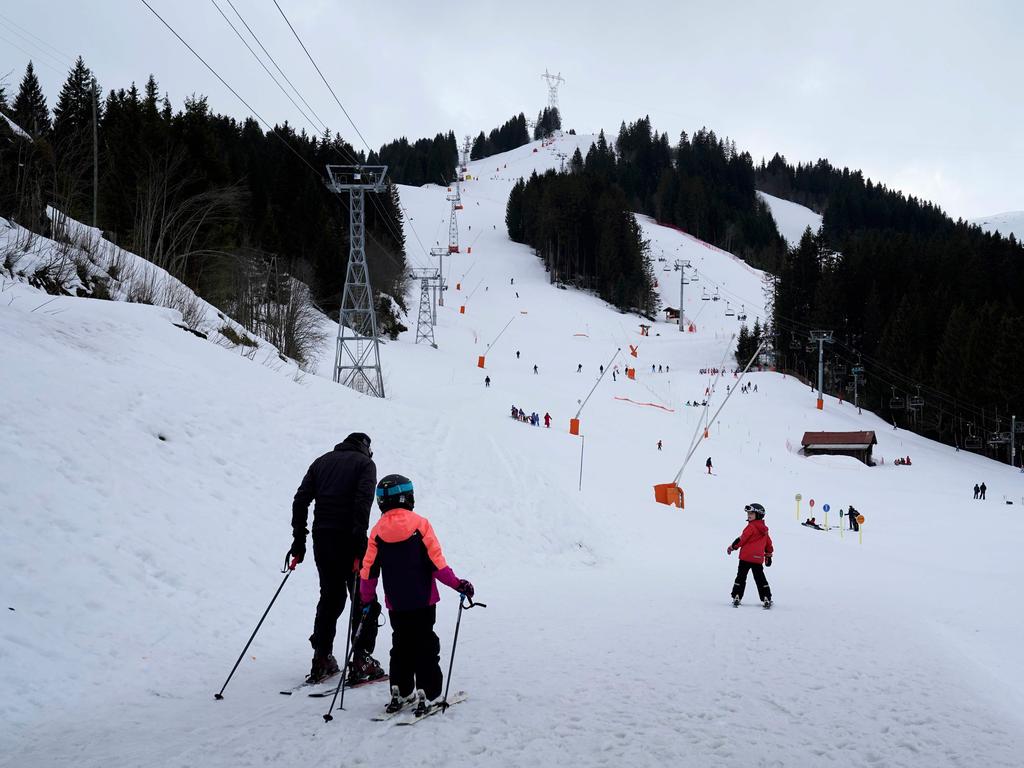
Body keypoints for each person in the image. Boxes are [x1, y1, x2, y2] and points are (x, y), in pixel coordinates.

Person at [360, 475, 474, 717]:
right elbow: (438, 565)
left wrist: (367, 599)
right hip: (423, 601)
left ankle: (400, 691)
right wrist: (459, 585)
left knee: (400, 644)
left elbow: (368, 571)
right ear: (407, 497)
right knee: (425, 643)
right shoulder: (420, 525)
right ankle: (429, 693)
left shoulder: (377, 532)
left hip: (396, 603)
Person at [290, 433, 384, 684]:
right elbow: (363, 502)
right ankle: (361, 659)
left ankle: (321, 658)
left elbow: (300, 500)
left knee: (330, 596)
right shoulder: (365, 465)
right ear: (366, 448)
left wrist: (299, 540)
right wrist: (357, 547)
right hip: (350, 539)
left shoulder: (321, 462)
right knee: (364, 597)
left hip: (323, 539)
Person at [726, 503, 773, 607]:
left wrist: (733, 547)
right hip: (758, 559)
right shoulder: (765, 530)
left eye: (751, 513)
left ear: (759, 514)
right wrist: (768, 555)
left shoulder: (751, 527)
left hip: (745, 558)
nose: (749, 515)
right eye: (748, 513)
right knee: (760, 578)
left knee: (741, 577)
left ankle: (737, 595)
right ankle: (766, 596)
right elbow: (768, 544)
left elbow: (742, 539)